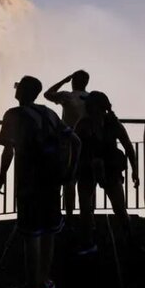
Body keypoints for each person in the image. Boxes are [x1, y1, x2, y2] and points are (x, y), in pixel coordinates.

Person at [0, 76, 81, 288]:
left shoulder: (13, 115)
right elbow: (75, 140)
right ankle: (44, 282)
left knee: (31, 233)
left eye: (18, 86)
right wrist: (70, 172)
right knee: (49, 231)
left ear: (22, 91)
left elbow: (8, 151)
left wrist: (2, 175)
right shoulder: (49, 113)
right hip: (52, 182)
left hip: (28, 184)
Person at [73, 91, 142, 255]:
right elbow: (129, 149)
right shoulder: (103, 124)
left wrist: (135, 171)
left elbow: (74, 148)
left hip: (100, 168)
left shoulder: (88, 124)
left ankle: (92, 241)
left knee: (108, 207)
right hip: (94, 168)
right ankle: (128, 241)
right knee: (106, 207)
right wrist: (134, 171)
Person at [44, 70, 90, 225]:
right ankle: (87, 217)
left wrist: (63, 80)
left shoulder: (67, 96)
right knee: (86, 182)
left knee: (69, 181)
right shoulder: (90, 98)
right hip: (88, 144)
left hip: (68, 143)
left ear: (73, 81)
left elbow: (48, 94)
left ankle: (69, 217)